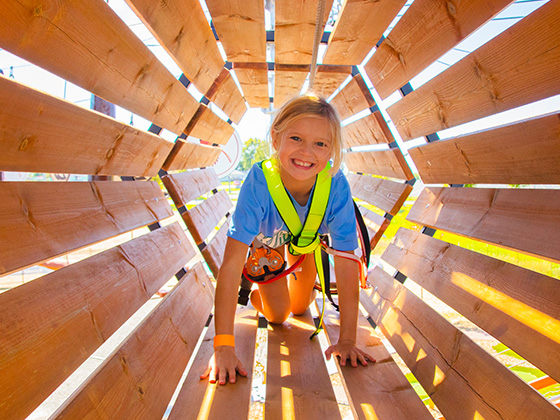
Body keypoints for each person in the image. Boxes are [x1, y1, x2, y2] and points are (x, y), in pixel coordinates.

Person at [201, 93, 375, 385]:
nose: (307, 152)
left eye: (320, 144)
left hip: (305, 246)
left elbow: (346, 262)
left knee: (300, 308)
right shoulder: (258, 182)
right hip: (269, 247)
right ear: (276, 137)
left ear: (332, 150)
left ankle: (298, 283)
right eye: (296, 138)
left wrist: (347, 339)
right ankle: (259, 294)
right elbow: (231, 265)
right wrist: (223, 346)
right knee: (280, 316)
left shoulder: (336, 185)